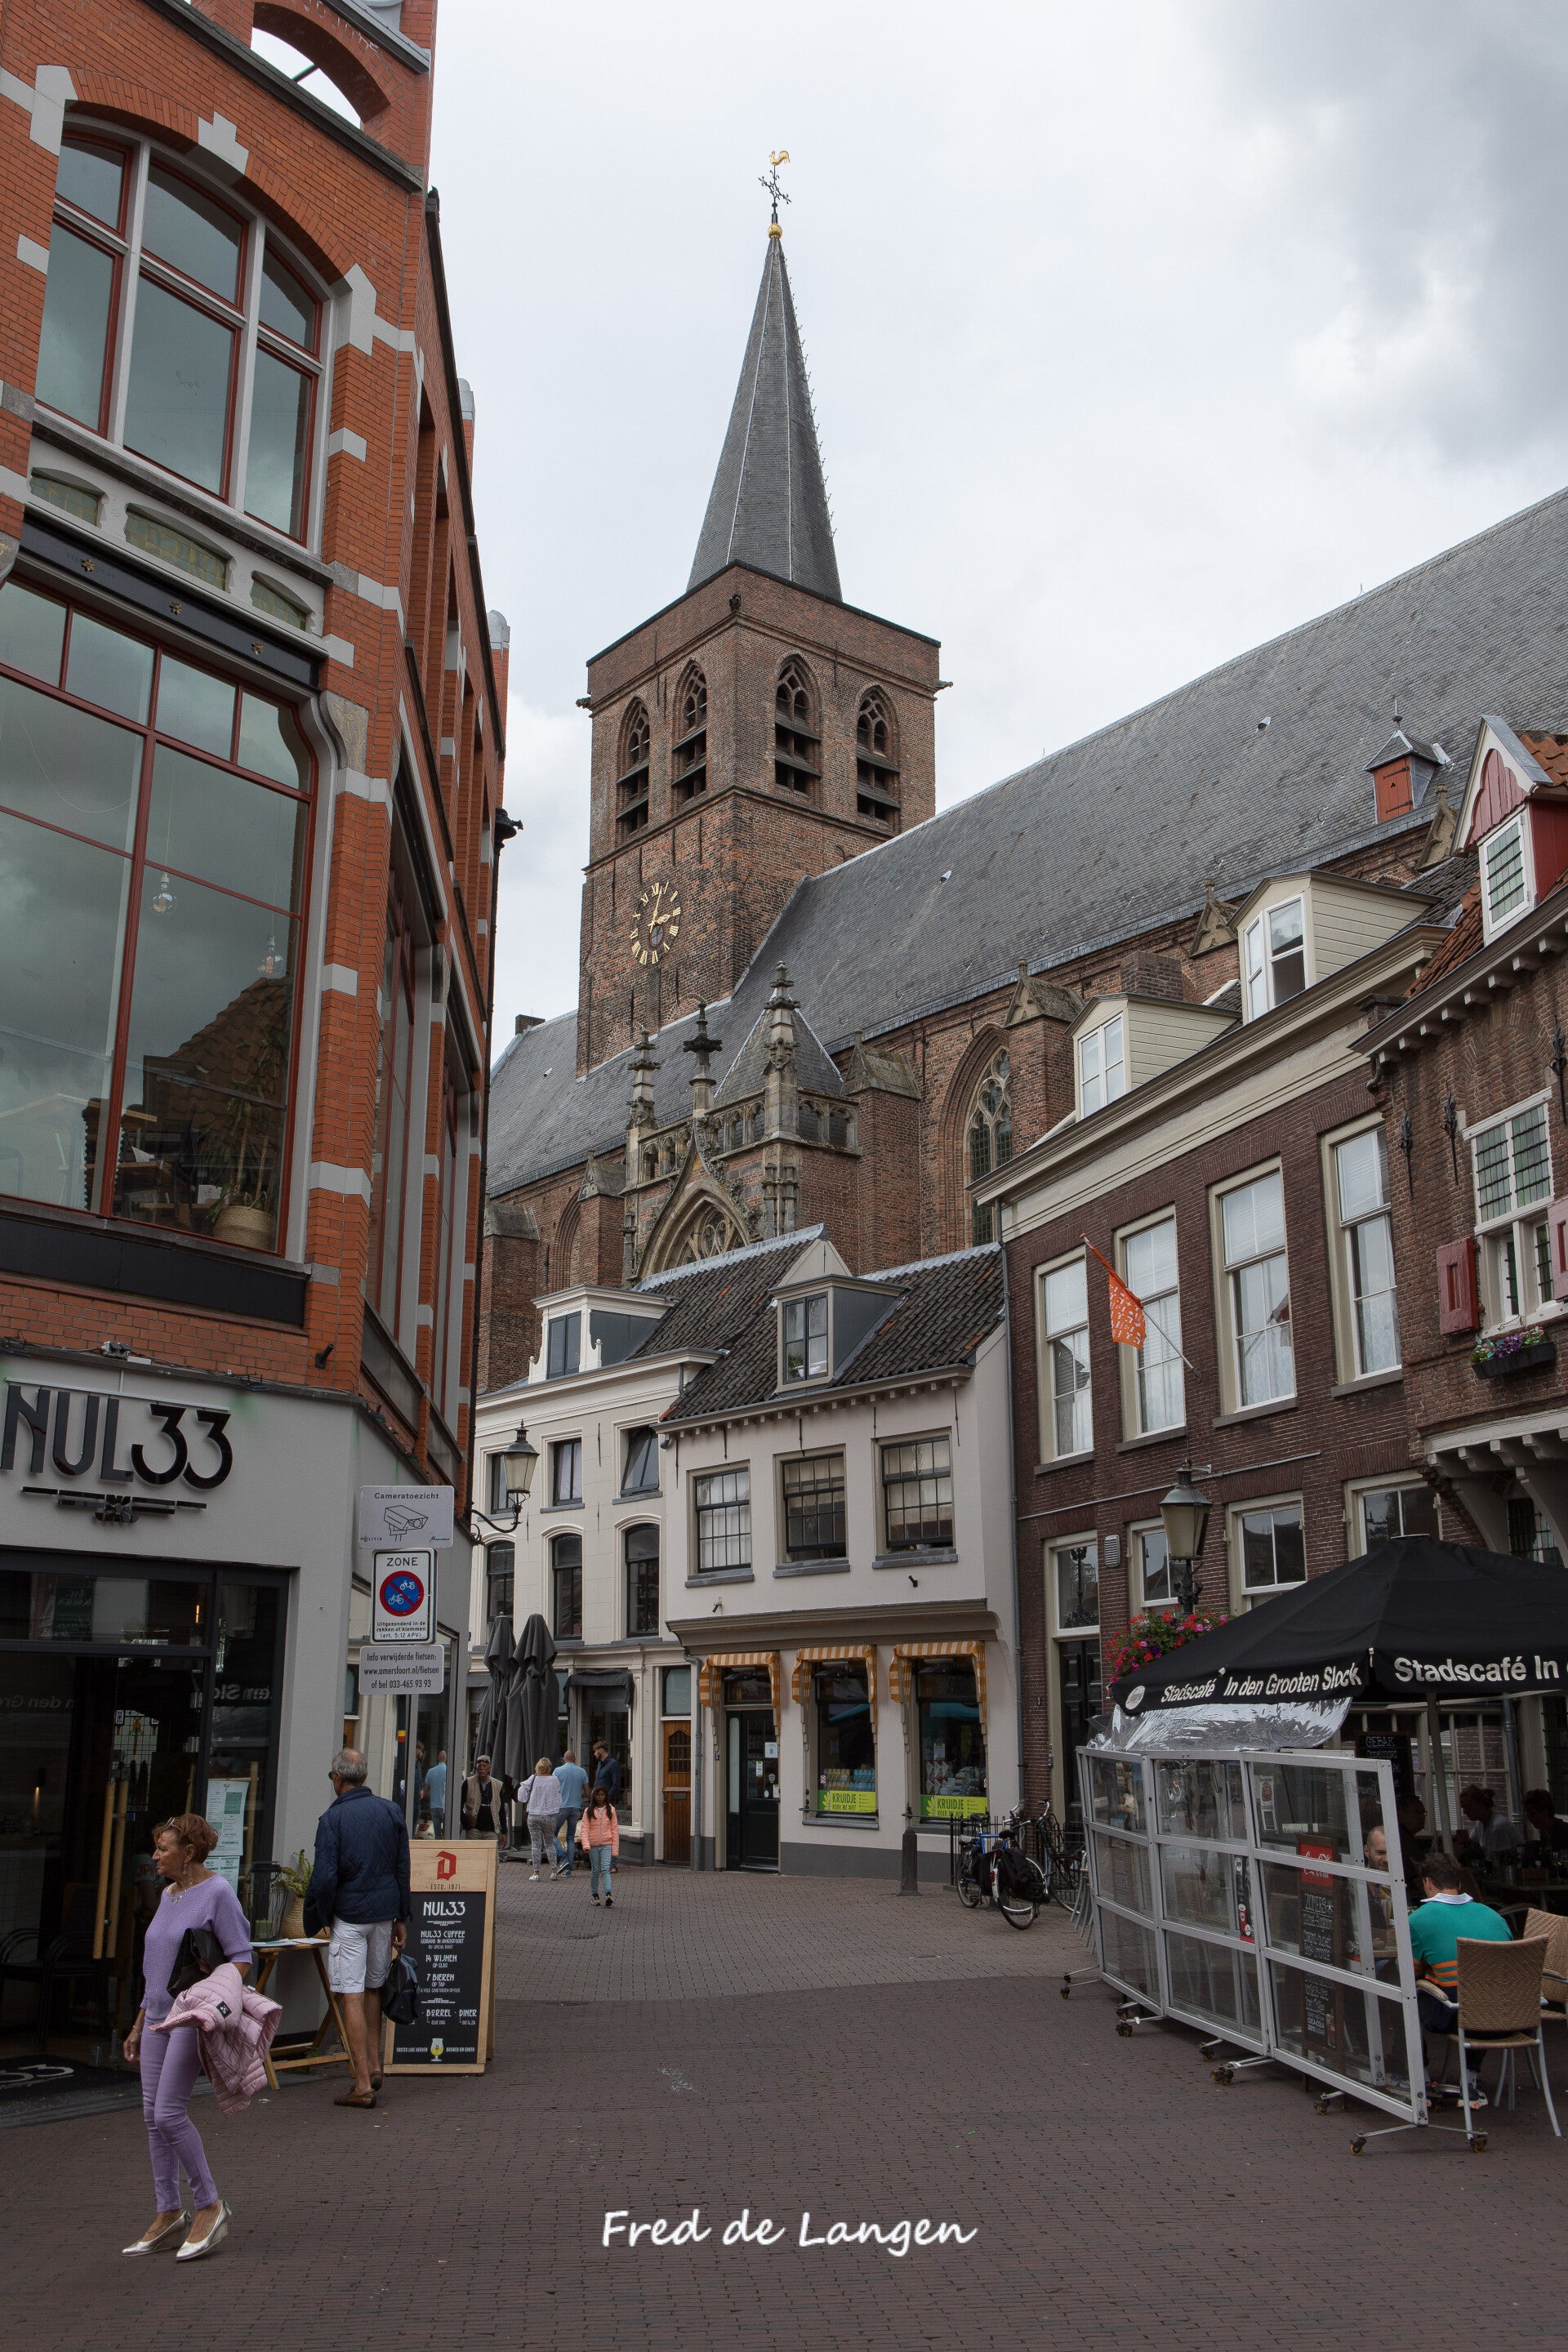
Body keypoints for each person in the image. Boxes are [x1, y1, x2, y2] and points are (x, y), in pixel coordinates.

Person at [121, 1812, 251, 2261]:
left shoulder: (218, 1893)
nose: (155, 1856)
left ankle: (210, 2205)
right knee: (151, 2117)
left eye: (163, 1849)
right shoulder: (168, 1894)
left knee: (168, 2113)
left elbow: (241, 1957)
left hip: (188, 2018)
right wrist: (138, 2023)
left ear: (189, 1852)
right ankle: (168, 2212)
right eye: (156, 1848)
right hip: (156, 2017)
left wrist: (209, 1999)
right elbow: (156, 1969)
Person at [304, 1748, 411, 2109]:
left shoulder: (332, 1819)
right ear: (363, 1777)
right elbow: (402, 1868)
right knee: (373, 1987)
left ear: (337, 1778)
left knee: (351, 1992)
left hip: (350, 1916)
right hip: (383, 1914)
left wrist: (318, 1916)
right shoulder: (391, 1811)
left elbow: (324, 1878)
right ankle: (375, 2066)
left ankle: (362, 2084)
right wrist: (401, 1916)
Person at [1408, 1852, 1512, 2104]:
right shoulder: (1495, 1916)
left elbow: (1409, 1974)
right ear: (1459, 1883)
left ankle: (1421, 2079)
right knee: (1483, 1989)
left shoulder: (1418, 1919)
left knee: (1404, 1998)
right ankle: (1470, 2080)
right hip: (1510, 2013)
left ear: (1428, 1883)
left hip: (1458, 2015)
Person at [519, 1757, 563, 1879]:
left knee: (536, 1844)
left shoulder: (533, 1778)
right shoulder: (554, 1779)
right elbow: (558, 1796)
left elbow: (522, 1791)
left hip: (534, 1815)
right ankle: (554, 1871)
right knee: (549, 1843)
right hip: (549, 1816)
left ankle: (536, 1873)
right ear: (549, 1768)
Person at [1455, 1784, 1521, 1864]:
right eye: (1463, 1808)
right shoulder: (1480, 1824)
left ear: (1480, 1803)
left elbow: (1502, 1861)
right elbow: (1472, 1843)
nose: (1465, 1812)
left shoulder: (1499, 1827)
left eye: (1468, 1807)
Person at [578, 1782, 620, 1907]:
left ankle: (608, 1893)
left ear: (606, 1796)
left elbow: (615, 1830)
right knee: (596, 1870)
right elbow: (585, 1829)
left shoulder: (611, 1810)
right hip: (594, 1845)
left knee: (606, 1868)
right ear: (594, 1796)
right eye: (598, 1795)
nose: (600, 1797)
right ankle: (595, 1894)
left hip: (607, 1844)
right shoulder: (588, 1811)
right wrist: (586, 1844)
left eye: (602, 1795)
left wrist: (615, 1849)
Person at [553, 1749, 589, 1877]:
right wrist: (578, 1795)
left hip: (562, 1807)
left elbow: (553, 1790)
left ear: (564, 1759)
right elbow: (587, 1792)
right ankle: (568, 1870)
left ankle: (563, 1859)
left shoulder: (557, 1771)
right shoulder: (582, 1771)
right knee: (570, 1838)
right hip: (576, 1808)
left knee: (552, 1834)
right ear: (575, 1759)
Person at [592, 1742, 622, 1871]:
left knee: (611, 1832)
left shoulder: (613, 1764)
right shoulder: (600, 1764)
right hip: (597, 1803)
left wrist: (607, 1799)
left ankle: (612, 1864)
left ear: (601, 1750)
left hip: (608, 1803)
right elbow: (598, 1782)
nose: (594, 1754)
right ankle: (602, 1863)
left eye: (596, 1751)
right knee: (599, 1831)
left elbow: (616, 1784)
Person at [462, 1754, 503, 1841]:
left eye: (484, 1766)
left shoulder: (498, 1785)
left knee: (492, 1849)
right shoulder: (468, 1783)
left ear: (489, 1768)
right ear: (476, 1768)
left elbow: (502, 1809)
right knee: (473, 1849)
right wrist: (467, 1825)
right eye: (479, 1766)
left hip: (491, 1830)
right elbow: (459, 1805)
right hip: (473, 1828)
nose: (482, 1768)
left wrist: (504, 1832)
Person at [1523, 1788, 1568, 1854]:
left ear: (1545, 1812)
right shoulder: (1545, 1831)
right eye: (1527, 1814)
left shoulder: (1564, 1833)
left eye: (1532, 1814)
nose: (1529, 1818)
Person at [425, 1748, 448, 1833]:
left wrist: (431, 1793)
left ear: (438, 1758)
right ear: (446, 1759)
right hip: (445, 1807)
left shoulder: (430, 1771)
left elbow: (425, 1792)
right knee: (447, 1833)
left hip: (434, 1806)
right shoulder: (449, 1772)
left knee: (437, 1835)